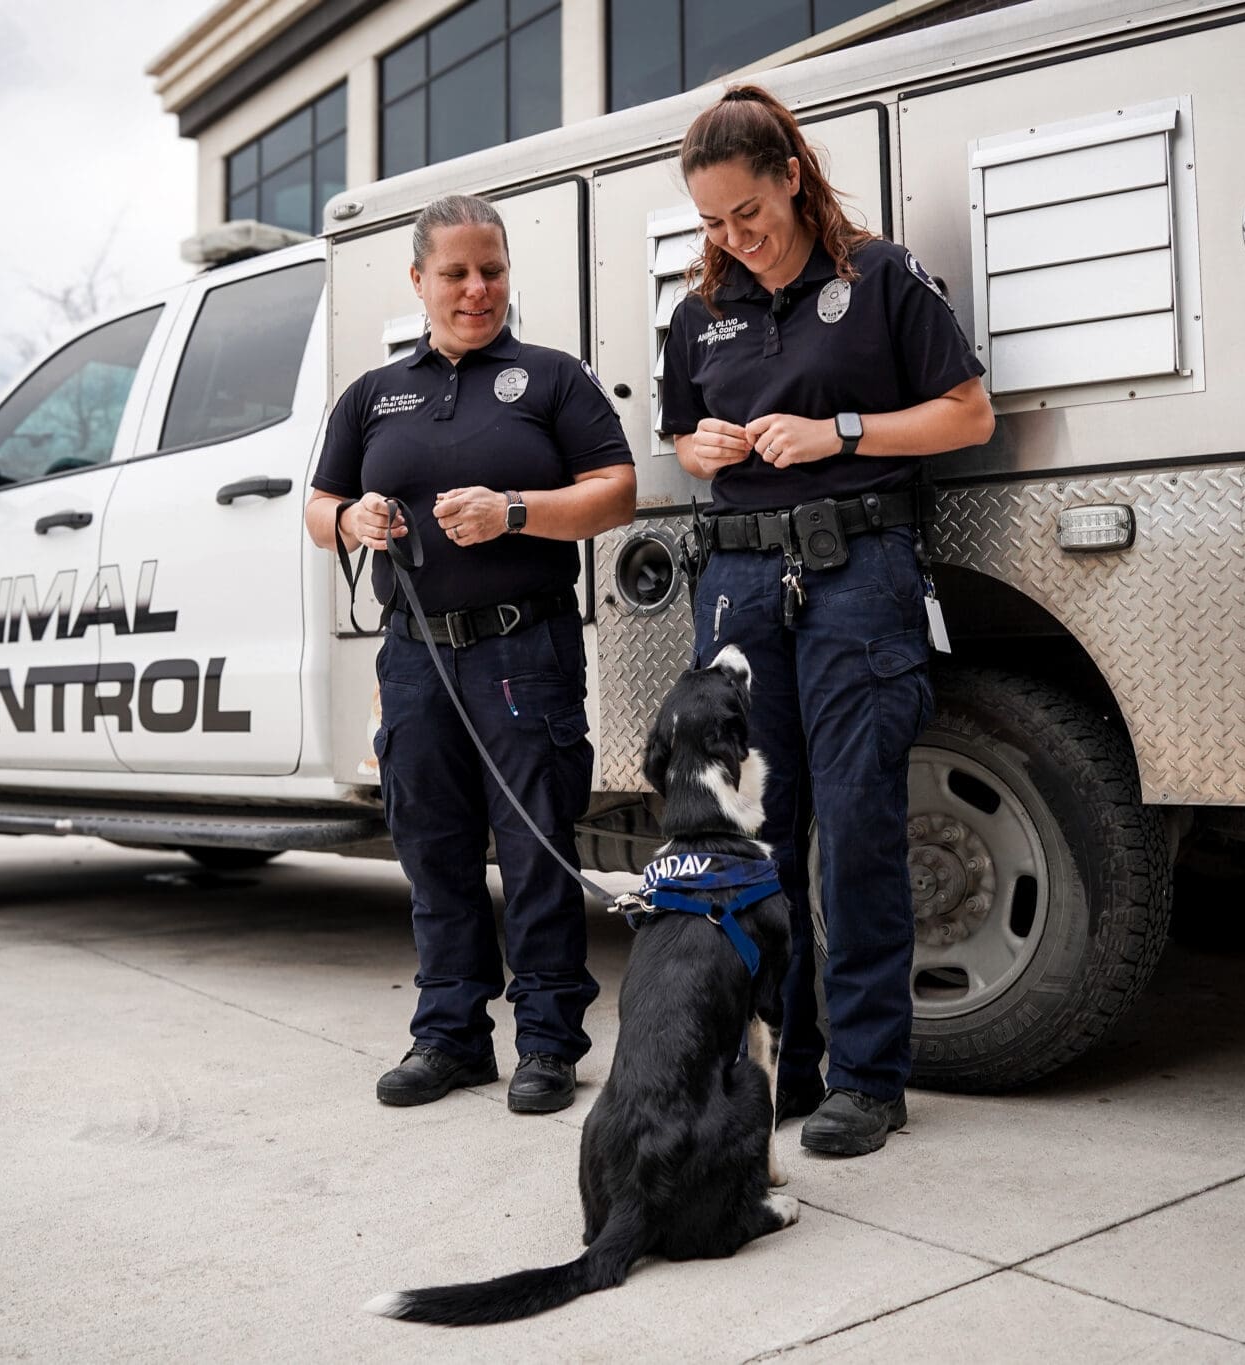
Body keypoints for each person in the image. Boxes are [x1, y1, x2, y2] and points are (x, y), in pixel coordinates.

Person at [660, 86, 996, 1157]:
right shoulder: (695, 310)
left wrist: (836, 431)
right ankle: (788, 1064)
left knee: (856, 827)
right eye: (711, 222)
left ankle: (865, 1077)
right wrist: (700, 452)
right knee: (763, 833)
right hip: (739, 585)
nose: (732, 239)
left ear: (790, 178)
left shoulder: (879, 277)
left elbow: (967, 411)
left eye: (745, 214)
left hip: (855, 571)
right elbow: (677, 435)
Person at [307, 194, 637, 1115]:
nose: (476, 288)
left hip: (520, 648)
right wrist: (350, 518)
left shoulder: (548, 378)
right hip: (413, 657)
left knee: (534, 847)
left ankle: (545, 1042)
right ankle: (450, 1036)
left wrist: (515, 511)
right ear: (418, 281)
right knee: (433, 847)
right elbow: (318, 505)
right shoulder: (374, 395)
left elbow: (616, 493)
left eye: (490, 269)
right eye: (455, 273)